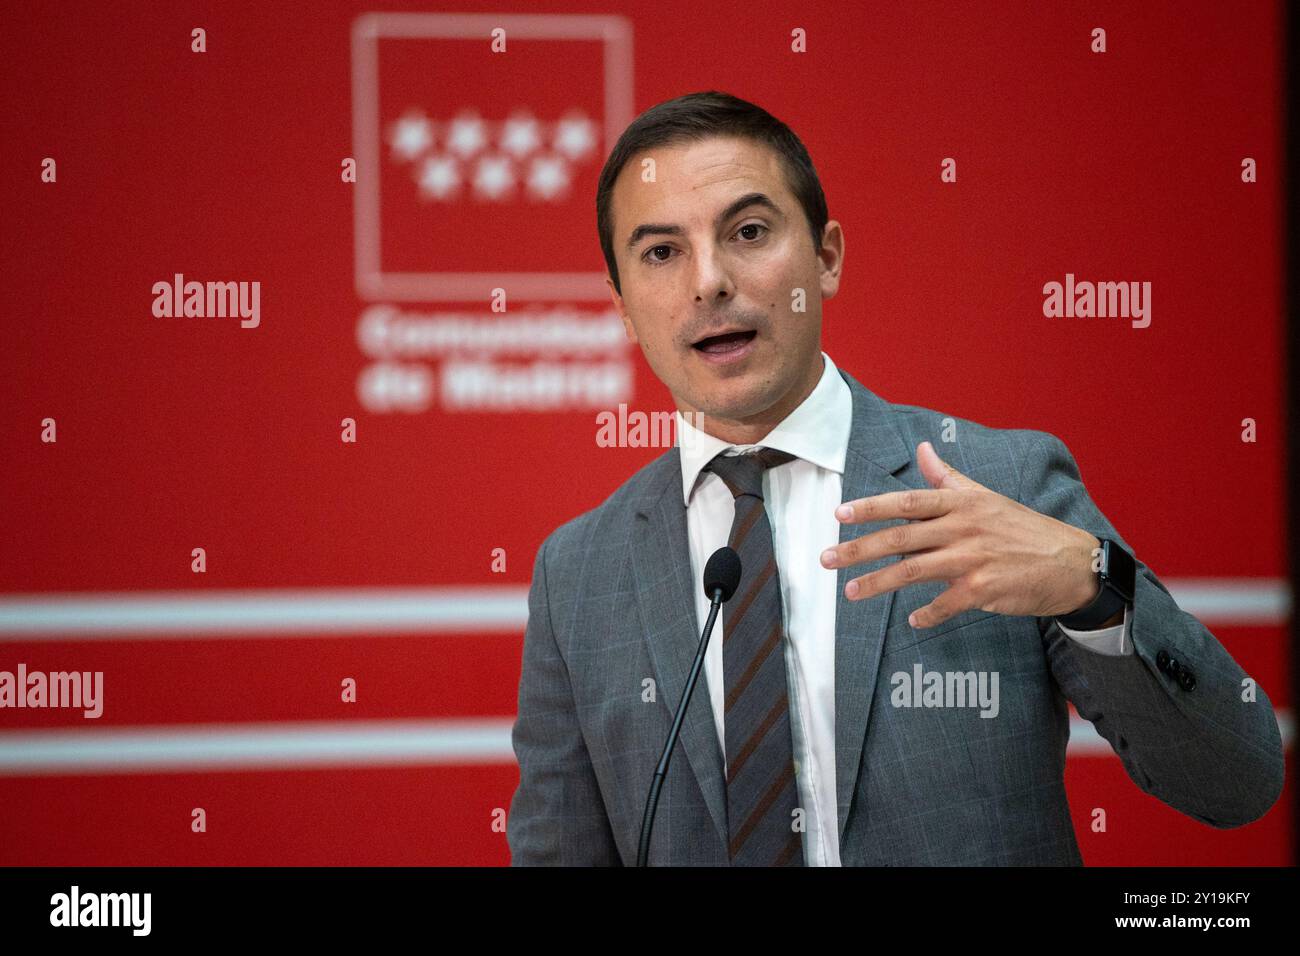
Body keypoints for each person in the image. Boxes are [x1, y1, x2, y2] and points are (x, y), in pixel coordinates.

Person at [506, 90, 1284, 865]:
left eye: (748, 232)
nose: (708, 281)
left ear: (828, 257)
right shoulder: (577, 574)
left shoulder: (996, 481)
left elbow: (1235, 781)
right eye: (661, 252)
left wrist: (1092, 585)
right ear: (623, 309)